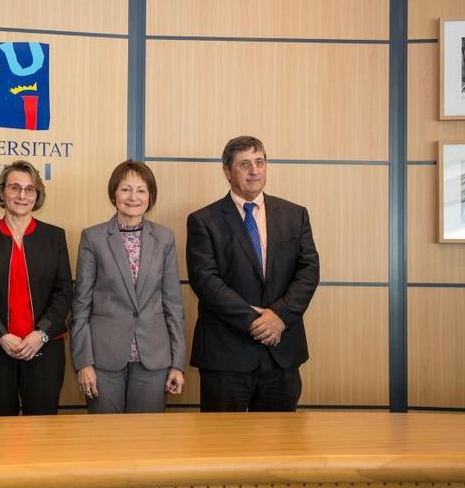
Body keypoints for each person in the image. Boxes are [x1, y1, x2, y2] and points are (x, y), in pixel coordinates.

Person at [186, 135, 319, 412]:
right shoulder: (203, 220)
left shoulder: (295, 215)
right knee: (222, 449)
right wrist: (257, 323)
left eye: (260, 162)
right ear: (227, 171)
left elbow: (308, 271)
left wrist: (280, 316)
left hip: (281, 353)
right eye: (244, 164)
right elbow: (205, 281)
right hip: (226, 357)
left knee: (281, 450)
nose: (254, 170)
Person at [70, 161, 186, 413]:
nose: (133, 197)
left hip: (153, 358)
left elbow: (173, 304)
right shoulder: (93, 237)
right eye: (126, 189)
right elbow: (81, 305)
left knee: (146, 442)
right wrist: (83, 363)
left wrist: (177, 363)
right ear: (114, 194)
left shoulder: (164, 238)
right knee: (105, 441)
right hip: (103, 359)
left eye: (141, 190)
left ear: (150, 196)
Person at [0, 160, 73, 416]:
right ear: (2, 192)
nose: (22, 195)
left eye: (30, 189)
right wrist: (0, 334)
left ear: (37, 196)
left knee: (43, 428)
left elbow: (64, 291)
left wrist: (41, 334)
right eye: (15, 188)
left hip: (44, 348)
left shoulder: (54, 237)